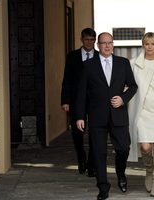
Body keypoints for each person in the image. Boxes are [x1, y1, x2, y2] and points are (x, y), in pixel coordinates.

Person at [76, 32, 138, 200]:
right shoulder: (88, 65)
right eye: (103, 43)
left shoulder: (123, 63)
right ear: (98, 45)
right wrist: (80, 116)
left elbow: (133, 86)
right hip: (97, 116)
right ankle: (103, 186)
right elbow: (81, 93)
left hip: (118, 114)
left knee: (124, 148)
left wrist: (123, 99)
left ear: (113, 44)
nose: (107, 46)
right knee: (98, 152)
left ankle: (121, 174)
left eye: (110, 42)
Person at [61, 28, 98, 176]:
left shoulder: (100, 56)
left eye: (92, 39)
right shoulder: (72, 56)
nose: (89, 42)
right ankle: (81, 158)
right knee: (77, 132)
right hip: (76, 100)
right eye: (87, 39)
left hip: (95, 100)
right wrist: (65, 100)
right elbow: (67, 80)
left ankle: (91, 164)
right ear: (81, 39)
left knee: (95, 132)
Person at [128, 32, 154, 197]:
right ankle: (149, 170)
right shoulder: (134, 64)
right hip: (142, 112)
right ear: (142, 45)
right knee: (145, 146)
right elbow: (128, 84)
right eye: (147, 44)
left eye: (152, 44)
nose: (150, 47)